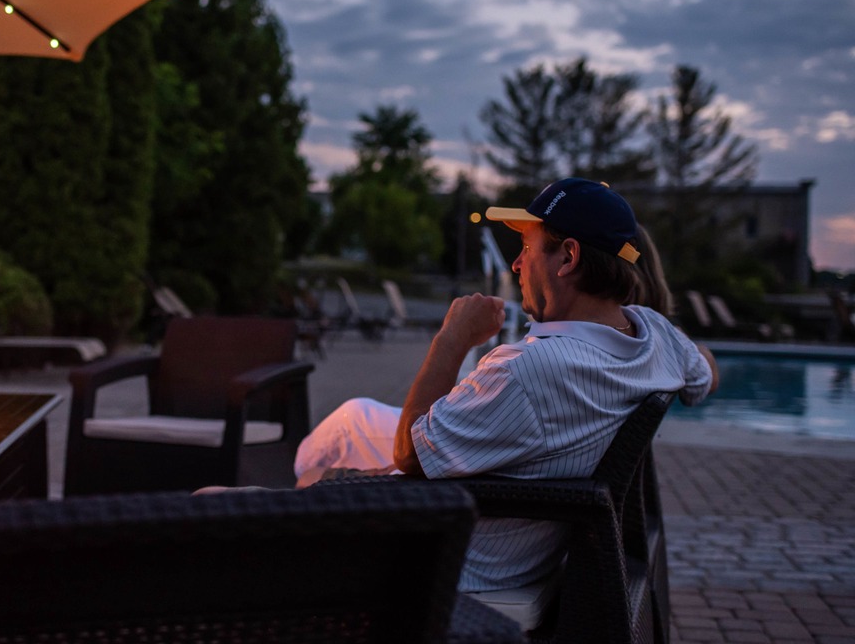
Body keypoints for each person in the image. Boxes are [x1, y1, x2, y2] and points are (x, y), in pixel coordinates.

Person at [294, 177, 718, 594]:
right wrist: (688, 352)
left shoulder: (530, 370)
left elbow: (409, 453)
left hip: (450, 555)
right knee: (346, 429)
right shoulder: (655, 335)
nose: (516, 264)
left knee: (302, 481)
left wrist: (453, 337)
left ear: (568, 257)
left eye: (527, 248)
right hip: (515, 528)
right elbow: (707, 375)